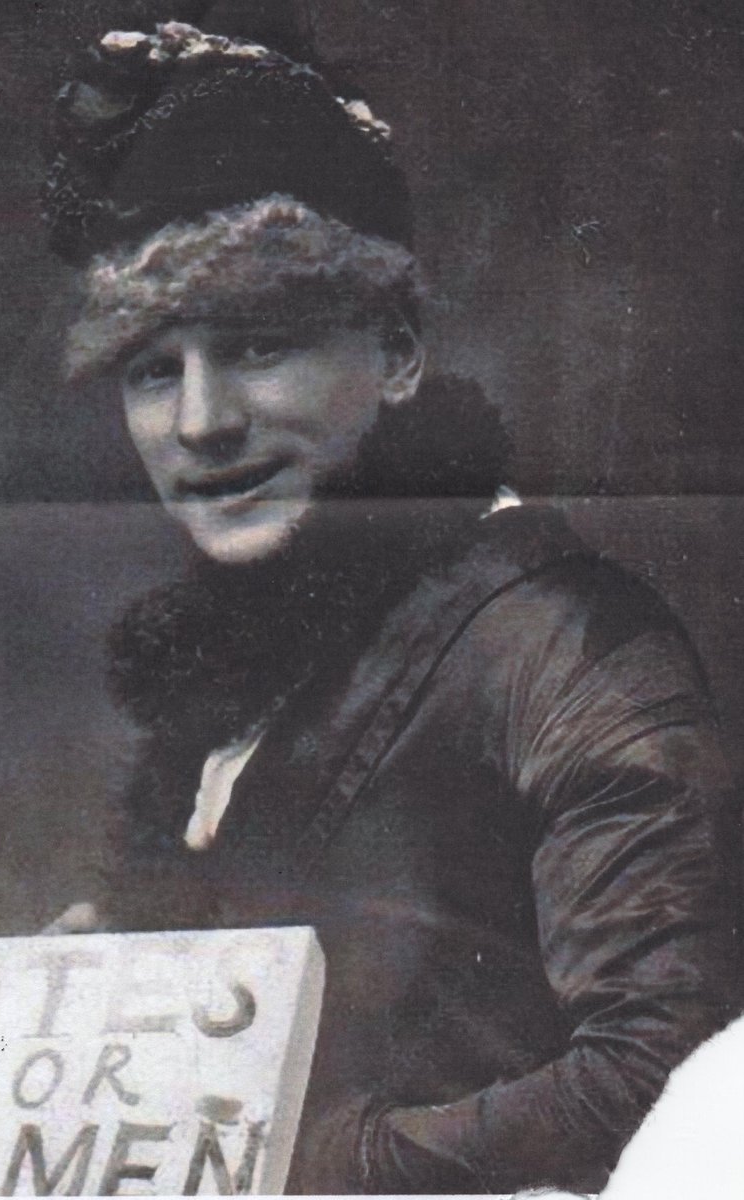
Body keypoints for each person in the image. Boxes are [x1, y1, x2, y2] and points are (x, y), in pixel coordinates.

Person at [42, 21, 740, 1195]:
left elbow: (676, 1079)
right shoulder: (249, 665)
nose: (202, 423)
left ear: (400, 349)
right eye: (154, 369)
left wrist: (290, 1158)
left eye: (260, 346)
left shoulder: (568, 646)